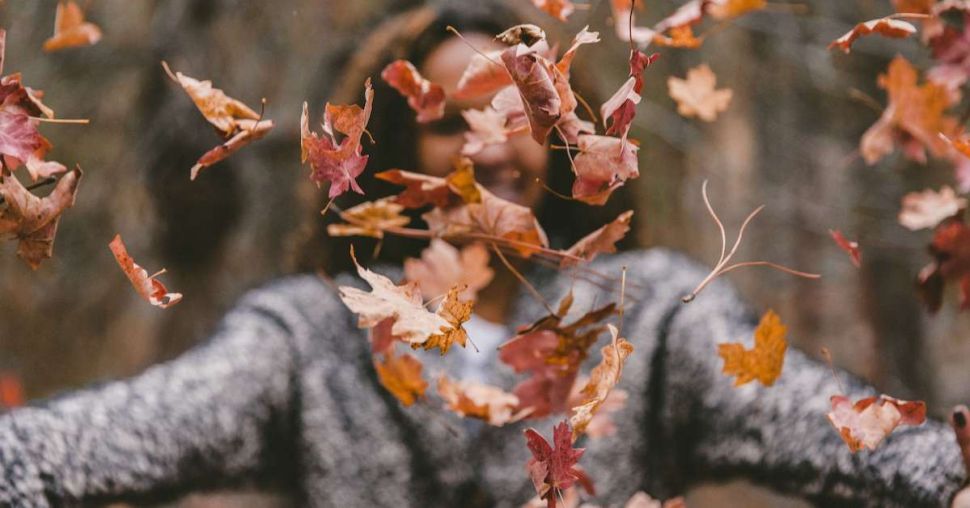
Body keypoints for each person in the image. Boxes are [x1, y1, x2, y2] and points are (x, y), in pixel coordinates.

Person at [0, 2, 968, 507]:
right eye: (447, 125)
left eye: (517, 115)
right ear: (389, 154)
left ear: (558, 137)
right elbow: (112, 435)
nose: (488, 146)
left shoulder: (653, 316)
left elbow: (829, 430)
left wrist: (949, 471)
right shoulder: (309, 338)